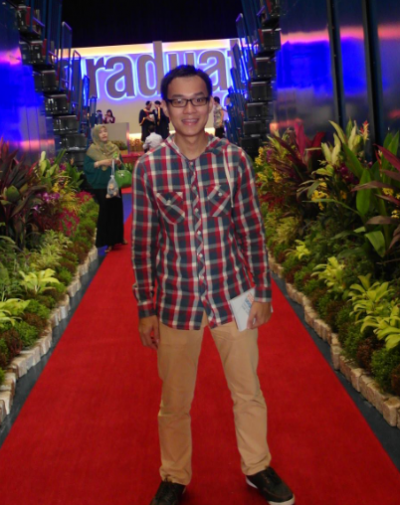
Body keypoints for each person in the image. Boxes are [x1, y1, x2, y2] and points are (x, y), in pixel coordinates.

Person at [131, 64, 294, 505]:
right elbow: (143, 246)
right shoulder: (149, 169)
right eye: (179, 101)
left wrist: (262, 293)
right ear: (166, 108)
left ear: (210, 104)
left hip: (235, 295)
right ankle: (174, 476)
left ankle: (257, 467)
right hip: (176, 301)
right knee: (174, 400)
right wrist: (145, 309)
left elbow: (252, 232)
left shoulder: (234, 159)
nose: (190, 109)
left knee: (248, 390)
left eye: (198, 99)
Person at [84, 124, 127, 253]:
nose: (104, 134)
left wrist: (118, 163)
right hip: (101, 185)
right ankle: (108, 241)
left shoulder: (114, 148)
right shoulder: (92, 150)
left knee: (117, 209)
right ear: (96, 135)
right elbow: (87, 167)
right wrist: (101, 163)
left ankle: (118, 237)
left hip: (114, 183)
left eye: (105, 131)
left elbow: (122, 165)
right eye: (101, 132)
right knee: (106, 211)